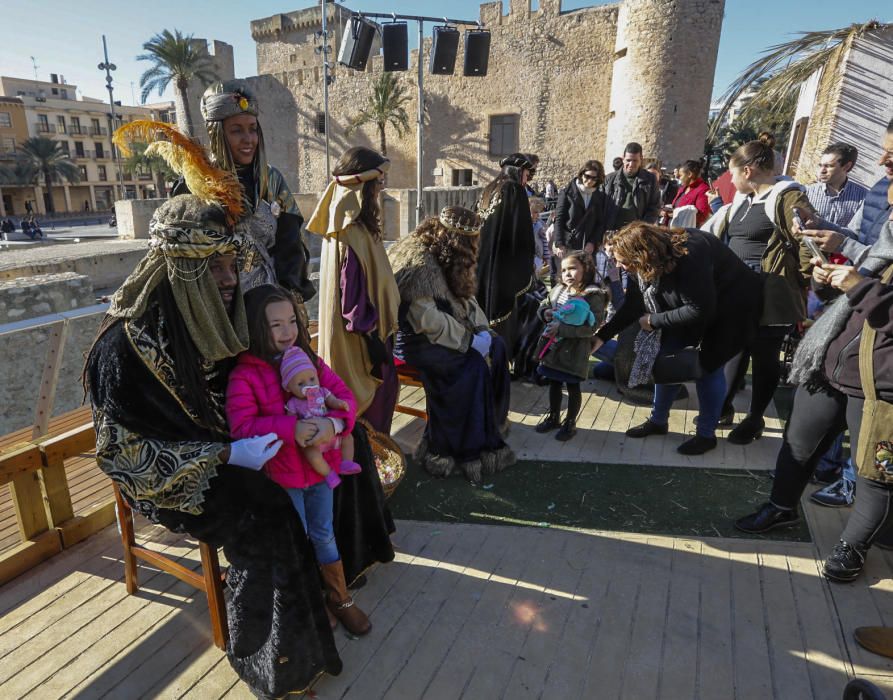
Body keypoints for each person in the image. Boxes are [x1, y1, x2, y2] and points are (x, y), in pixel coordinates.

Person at [85, 191, 343, 697]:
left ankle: (323, 595)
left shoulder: (212, 320)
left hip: (244, 444)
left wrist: (317, 417)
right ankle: (271, 655)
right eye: (215, 267)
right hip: (172, 478)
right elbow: (122, 457)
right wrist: (224, 455)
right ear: (179, 268)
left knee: (325, 474)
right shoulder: (122, 349)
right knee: (265, 514)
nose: (229, 280)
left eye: (230, 266)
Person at [734, 219, 893, 586]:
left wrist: (858, 286)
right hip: (828, 368)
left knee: (874, 476)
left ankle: (852, 546)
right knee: (797, 447)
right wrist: (828, 281)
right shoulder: (882, 249)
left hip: (880, 391)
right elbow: (845, 306)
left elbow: (874, 303)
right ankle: (781, 508)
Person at [226, 285, 370, 636]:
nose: (288, 331)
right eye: (276, 325)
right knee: (298, 538)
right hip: (283, 478)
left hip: (320, 473)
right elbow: (242, 427)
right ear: (256, 328)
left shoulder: (309, 362)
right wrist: (291, 428)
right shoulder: (245, 375)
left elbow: (346, 398)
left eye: (292, 321)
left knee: (323, 532)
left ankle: (339, 595)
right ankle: (311, 599)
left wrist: (333, 423)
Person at [594, 223, 763, 455]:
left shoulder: (689, 254)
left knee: (707, 368)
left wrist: (654, 320)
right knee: (666, 357)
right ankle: (658, 421)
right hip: (695, 303)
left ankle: (706, 435)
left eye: (623, 261)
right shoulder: (645, 263)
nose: (619, 266)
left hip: (732, 308)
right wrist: (602, 337)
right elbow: (634, 305)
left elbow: (699, 309)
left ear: (642, 254)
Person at [389, 206, 515, 482]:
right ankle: (447, 450)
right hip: (414, 341)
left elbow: (466, 298)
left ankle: (489, 425)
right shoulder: (418, 262)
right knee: (470, 366)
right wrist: (469, 341)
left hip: (447, 328)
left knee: (498, 346)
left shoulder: (452, 254)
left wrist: (482, 330)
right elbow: (425, 319)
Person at [703, 137, 815, 444]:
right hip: (738, 293)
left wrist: (799, 281)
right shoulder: (742, 202)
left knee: (764, 357)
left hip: (769, 294)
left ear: (749, 170)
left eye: (733, 173)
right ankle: (723, 406)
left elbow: (810, 239)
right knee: (732, 350)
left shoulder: (787, 197)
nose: (730, 179)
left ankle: (754, 420)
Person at [176, 80, 315, 300]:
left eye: (252, 130)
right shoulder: (195, 180)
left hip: (267, 295)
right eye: (236, 131)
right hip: (217, 300)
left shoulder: (271, 179)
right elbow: (183, 251)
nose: (248, 139)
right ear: (216, 133)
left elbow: (290, 242)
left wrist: (289, 293)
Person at [308, 146, 400, 434]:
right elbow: (352, 302)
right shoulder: (351, 234)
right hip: (362, 345)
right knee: (371, 407)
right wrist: (374, 343)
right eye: (379, 184)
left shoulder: (347, 230)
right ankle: (369, 466)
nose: (381, 191)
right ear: (365, 188)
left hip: (365, 336)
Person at [804, 141, 868, 507]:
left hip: (857, 289)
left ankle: (842, 472)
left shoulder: (864, 194)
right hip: (825, 279)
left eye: (830, 165)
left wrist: (840, 241)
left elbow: (862, 244)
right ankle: (827, 462)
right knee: (829, 371)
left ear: (847, 165)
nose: (822, 170)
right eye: (821, 164)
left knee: (848, 384)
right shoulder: (810, 192)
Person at [534, 251, 607, 440]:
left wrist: (561, 328)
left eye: (573, 268)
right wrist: (546, 312)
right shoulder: (559, 289)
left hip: (574, 351)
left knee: (573, 386)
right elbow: (544, 303)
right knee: (554, 383)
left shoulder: (593, 295)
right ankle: (554, 417)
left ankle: (570, 422)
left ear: (587, 269)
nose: (567, 273)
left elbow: (591, 327)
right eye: (564, 269)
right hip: (554, 349)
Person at [475, 152, 536, 353]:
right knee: (503, 313)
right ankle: (500, 357)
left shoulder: (488, 189)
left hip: (481, 261)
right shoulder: (514, 189)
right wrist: (527, 261)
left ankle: (484, 353)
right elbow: (522, 231)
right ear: (519, 171)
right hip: (504, 265)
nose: (527, 179)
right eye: (527, 174)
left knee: (482, 307)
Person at [280, 345, 361, 487]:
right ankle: (329, 474)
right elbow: (290, 420)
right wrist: (294, 428)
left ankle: (346, 462)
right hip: (312, 439)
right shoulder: (293, 403)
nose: (309, 385)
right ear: (288, 387)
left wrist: (340, 404)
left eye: (312, 379)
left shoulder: (322, 391)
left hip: (331, 433)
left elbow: (332, 400)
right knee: (311, 455)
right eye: (300, 384)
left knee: (348, 437)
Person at [554, 160, 609, 256]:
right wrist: (560, 244)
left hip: (588, 249)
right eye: (587, 176)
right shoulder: (567, 193)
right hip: (568, 246)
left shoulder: (599, 196)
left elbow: (600, 222)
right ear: (582, 174)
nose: (589, 180)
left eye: (594, 178)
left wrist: (592, 242)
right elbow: (559, 219)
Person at [604, 142, 662, 229]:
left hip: (637, 233)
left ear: (641, 159)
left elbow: (654, 207)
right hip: (612, 230)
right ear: (623, 159)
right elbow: (600, 207)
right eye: (628, 160)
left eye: (635, 160)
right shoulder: (609, 179)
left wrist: (642, 227)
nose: (631, 164)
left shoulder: (650, 180)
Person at [669, 159, 711, 227]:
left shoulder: (703, 190)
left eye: (680, 175)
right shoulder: (683, 188)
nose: (678, 178)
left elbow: (702, 216)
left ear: (689, 174)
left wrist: (677, 214)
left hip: (688, 232)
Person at [530, 196, 550, 278]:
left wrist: (546, 256)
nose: (538, 215)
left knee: (535, 278)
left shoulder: (539, 224)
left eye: (538, 212)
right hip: (528, 256)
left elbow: (544, 241)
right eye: (535, 212)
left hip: (537, 256)